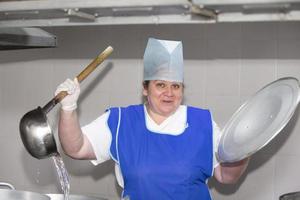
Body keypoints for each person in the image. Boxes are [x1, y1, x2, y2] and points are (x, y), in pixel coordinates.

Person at [56, 37, 249, 200]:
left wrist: (247, 146)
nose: (169, 93)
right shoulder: (121, 121)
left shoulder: (203, 122)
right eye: (160, 85)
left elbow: (226, 176)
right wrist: (68, 108)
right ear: (145, 89)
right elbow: (76, 148)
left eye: (176, 86)